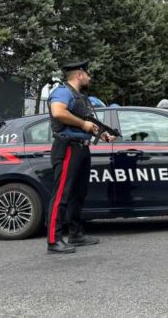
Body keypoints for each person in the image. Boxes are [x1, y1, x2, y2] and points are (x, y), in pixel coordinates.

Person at [46, 61, 116, 254]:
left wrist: (102, 134)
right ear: (79, 75)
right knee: (62, 194)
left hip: (82, 148)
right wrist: (82, 124)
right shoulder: (63, 92)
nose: (89, 77)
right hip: (68, 147)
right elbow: (58, 112)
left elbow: (87, 124)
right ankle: (54, 240)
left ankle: (75, 234)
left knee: (78, 194)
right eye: (88, 74)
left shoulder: (80, 98)